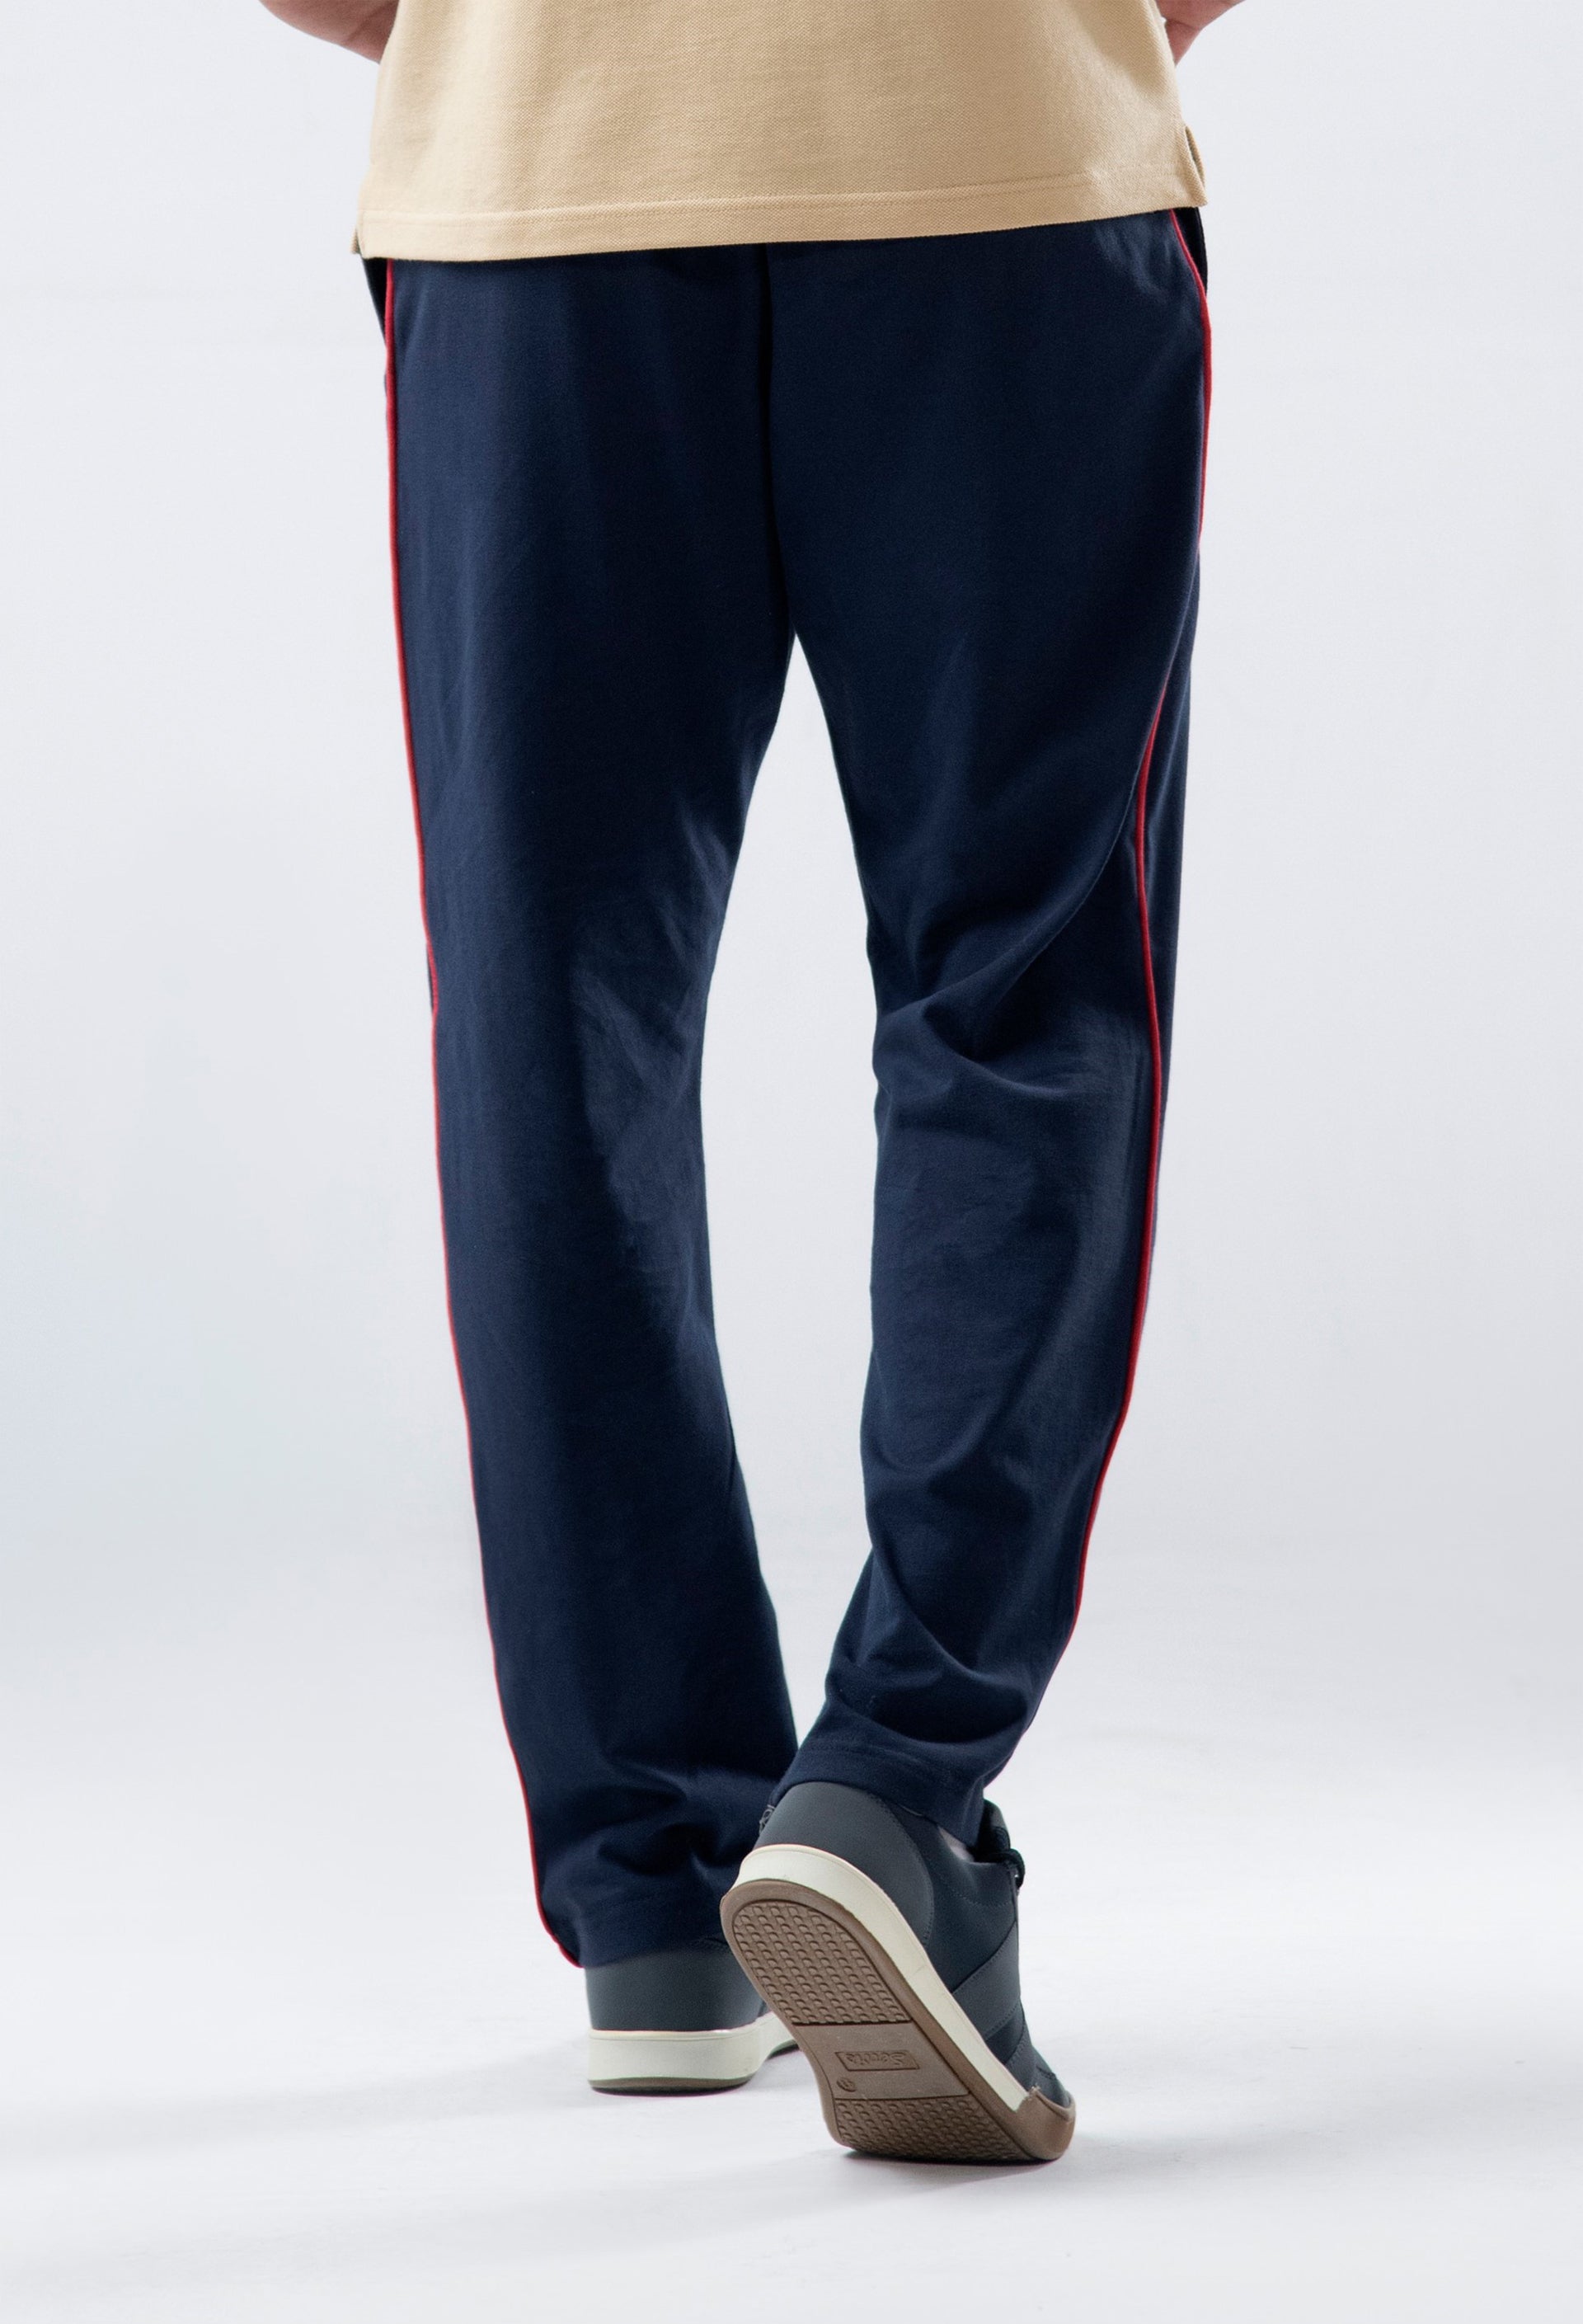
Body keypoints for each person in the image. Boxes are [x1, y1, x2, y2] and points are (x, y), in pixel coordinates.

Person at [262, 0, 1242, 2163]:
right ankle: (893, 1793)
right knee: (1018, 1000)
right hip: (1000, 178)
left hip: (544, 201)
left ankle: (657, 1895)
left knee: (552, 1029)